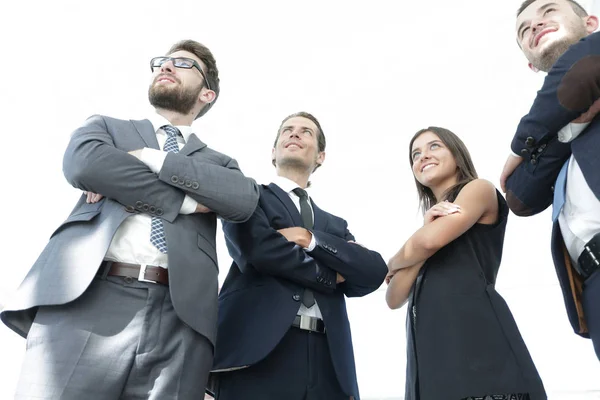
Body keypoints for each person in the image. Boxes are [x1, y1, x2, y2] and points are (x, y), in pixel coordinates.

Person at [1, 40, 259, 399]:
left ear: (207, 94)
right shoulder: (106, 128)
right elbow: (84, 163)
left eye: (183, 64)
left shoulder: (222, 164)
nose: (166, 66)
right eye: (163, 62)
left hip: (181, 319)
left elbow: (242, 200)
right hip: (87, 298)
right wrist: (186, 201)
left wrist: (150, 160)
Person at [209, 112, 388, 400]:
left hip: (328, 362)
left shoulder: (335, 225)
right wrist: (332, 274)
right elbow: (259, 251)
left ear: (321, 156)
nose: (294, 134)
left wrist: (309, 239)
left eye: (306, 132)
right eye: (287, 130)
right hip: (257, 355)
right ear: (273, 152)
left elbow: (372, 272)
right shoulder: (249, 195)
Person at [387, 127, 546, 400]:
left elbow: (426, 244)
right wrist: (422, 237)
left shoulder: (479, 188)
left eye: (434, 146)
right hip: (432, 369)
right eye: (415, 154)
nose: (423, 156)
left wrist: (392, 262)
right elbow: (393, 297)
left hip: (479, 355)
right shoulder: (430, 227)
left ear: (457, 156)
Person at [500, 0, 600, 360]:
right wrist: (569, 126)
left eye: (548, 11)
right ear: (530, 62)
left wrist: (520, 146)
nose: (534, 26)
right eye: (524, 30)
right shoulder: (556, 127)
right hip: (592, 284)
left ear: (591, 23)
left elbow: (584, 70)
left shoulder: (597, 48)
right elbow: (519, 195)